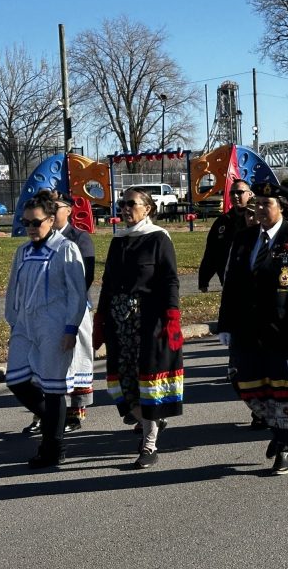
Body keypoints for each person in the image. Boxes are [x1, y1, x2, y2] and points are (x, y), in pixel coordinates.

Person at [217, 182, 288, 475]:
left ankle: (283, 444)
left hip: (286, 330)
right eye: (258, 204)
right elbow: (232, 285)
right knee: (245, 381)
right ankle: (277, 429)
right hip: (248, 328)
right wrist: (224, 323)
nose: (261, 209)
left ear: (281, 207)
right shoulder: (244, 238)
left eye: (267, 204)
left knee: (284, 389)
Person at [94, 187, 183, 469]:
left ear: (148, 208)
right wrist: (100, 318)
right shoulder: (119, 240)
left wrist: (172, 316)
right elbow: (108, 283)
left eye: (131, 204)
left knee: (147, 384)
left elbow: (169, 280)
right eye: (122, 204)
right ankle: (149, 419)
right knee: (123, 383)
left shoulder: (158, 238)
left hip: (147, 322)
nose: (124, 208)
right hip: (119, 323)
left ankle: (149, 445)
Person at [5, 192, 90, 469]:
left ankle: (53, 447)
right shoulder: (23, 251)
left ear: (51, 220)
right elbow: (13, 290)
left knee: (54, 388)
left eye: (36, 222)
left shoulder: (65, 248)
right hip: (25, 325)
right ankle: (56, 422)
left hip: (55, 323)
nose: (30, 228)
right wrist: (13, 320)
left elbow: (77, 293)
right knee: (16, 380)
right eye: (26, 222)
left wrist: (70, 327)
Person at [21, 190, 96, 436]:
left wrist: (68, 314)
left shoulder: (78, 238)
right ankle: (43, 414)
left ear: (68, 210)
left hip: (71, 309)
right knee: (40, 366)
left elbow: (84, 278)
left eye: (57, 205)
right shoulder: (35, 241)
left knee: (73, 360)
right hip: (41, 315)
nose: (53, 209)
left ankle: (75, 411)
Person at [198, 178, 254, 292]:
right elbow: (211, 252)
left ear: (250, 194)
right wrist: (204, 279)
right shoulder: (222, 222)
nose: (235, 196)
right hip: (228, 279)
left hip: (254, 278)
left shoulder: (257, 219)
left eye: (240, 192)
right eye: (232, 193)